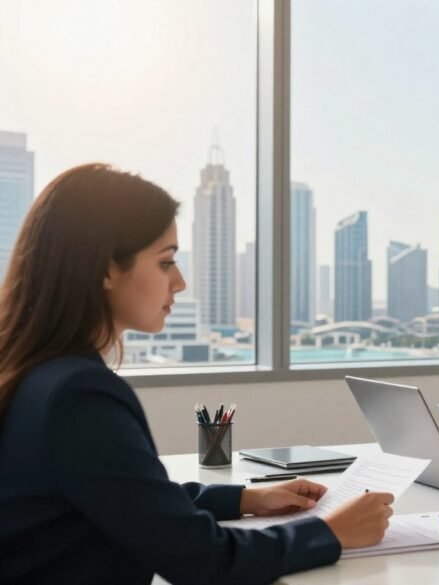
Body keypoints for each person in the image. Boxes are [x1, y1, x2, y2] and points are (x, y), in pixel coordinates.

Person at [0, 164, 395, 584]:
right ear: (107, 269)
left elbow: (127, 497)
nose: (180, 282)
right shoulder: (80, 395)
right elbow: (202, 560)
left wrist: (245, 499)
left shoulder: (36, 375)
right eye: (166, 262)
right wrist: (330, 532)